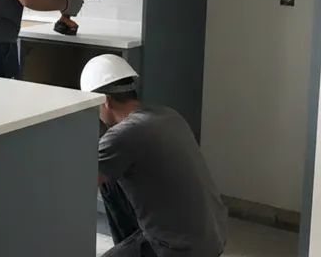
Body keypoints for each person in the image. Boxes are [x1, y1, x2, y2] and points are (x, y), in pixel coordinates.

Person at [81, 54, 228, 257]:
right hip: (212, 237)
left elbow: (78, 186)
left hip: (180, 249)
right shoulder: (168, 114)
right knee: (110, 182)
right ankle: (131, 246)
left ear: (105, 100)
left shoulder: (122, 135)